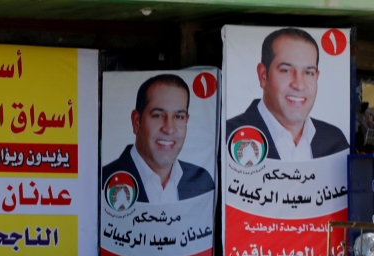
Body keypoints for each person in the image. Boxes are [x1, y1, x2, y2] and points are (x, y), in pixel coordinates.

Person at [226, 27, 349, 161]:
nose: (299, 85)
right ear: (263, 76)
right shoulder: (229, 135)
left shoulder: (334, 140)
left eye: (308, 73)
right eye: (286, 70)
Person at [101, 74, 214, 204]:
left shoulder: (202, 181)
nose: (169, 129)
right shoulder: (103, 181)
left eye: (178, 117)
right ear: (136, 122)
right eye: (158, 115)